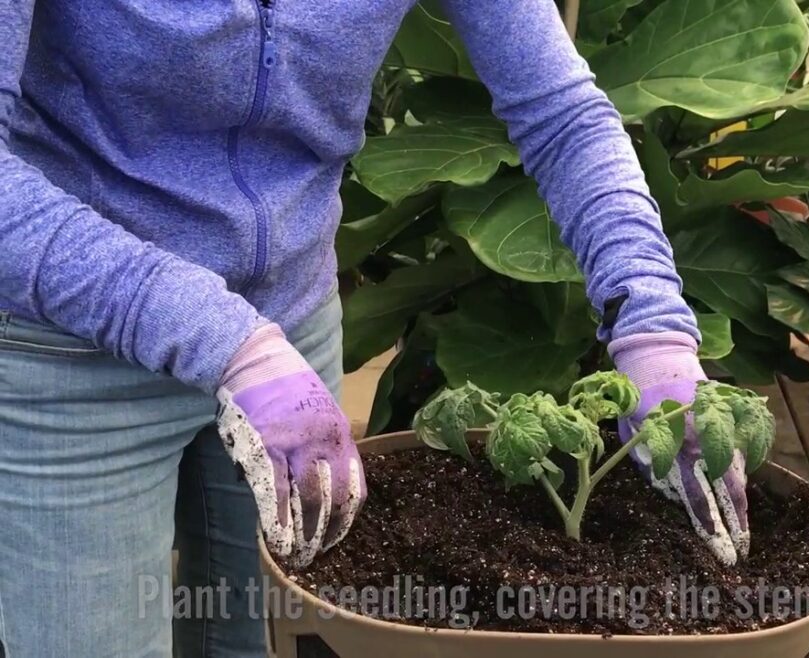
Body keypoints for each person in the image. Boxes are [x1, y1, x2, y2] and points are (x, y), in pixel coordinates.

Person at [0, 1, 753, 656]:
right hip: (72, 349)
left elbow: (562, 114)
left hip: (290, 339)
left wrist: (651, 324)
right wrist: (221, 337)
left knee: (259, 635)